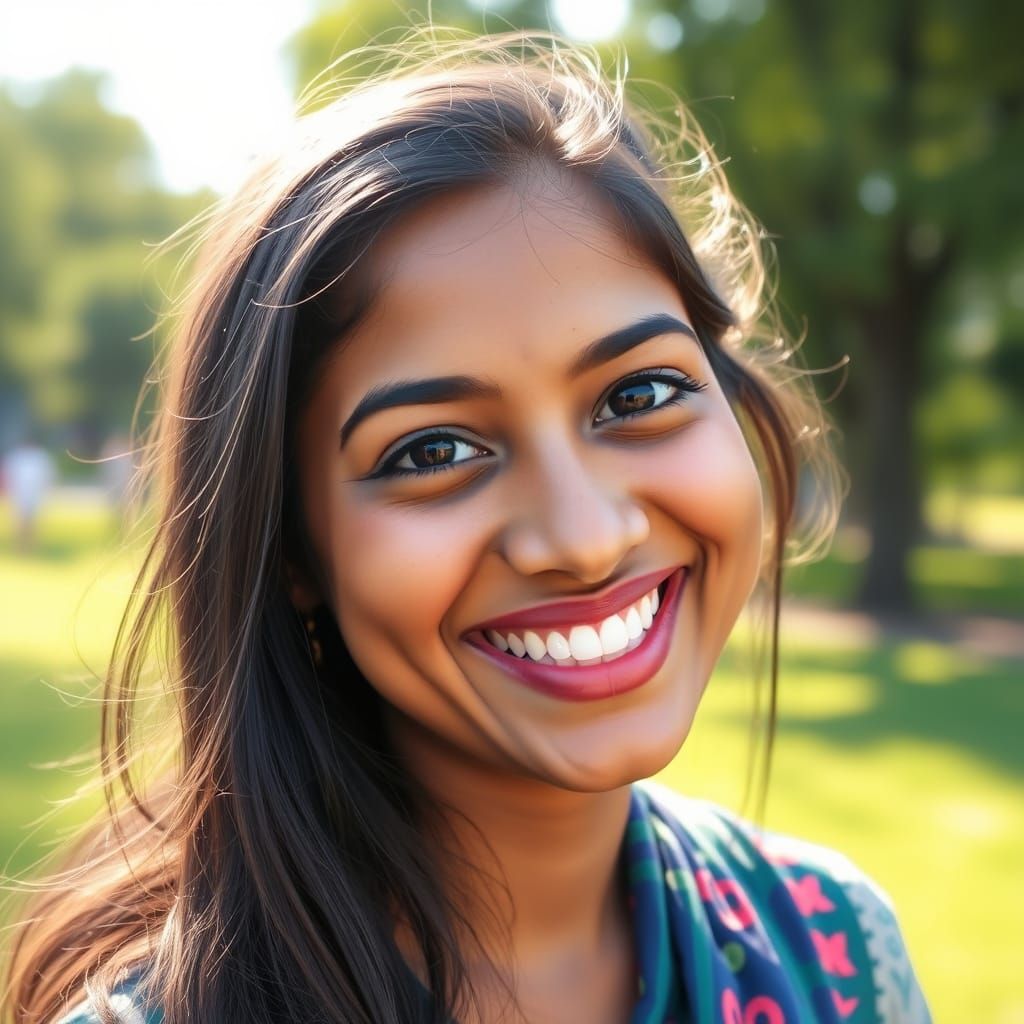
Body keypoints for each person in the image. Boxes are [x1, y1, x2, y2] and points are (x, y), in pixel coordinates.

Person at [2, 29, 931, 1024]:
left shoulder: (838, 954)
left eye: (640, 393)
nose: (581, 537)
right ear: (291, 549)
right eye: (433, 453)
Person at [1, 433, 56, 554]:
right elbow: (7, 475)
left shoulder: (40, 457)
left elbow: (48, 476)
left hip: (35, 494)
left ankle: (31, 546)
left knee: (32, 521)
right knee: (19, 521)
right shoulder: (16, 456)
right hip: (19, 494)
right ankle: (19, 546)